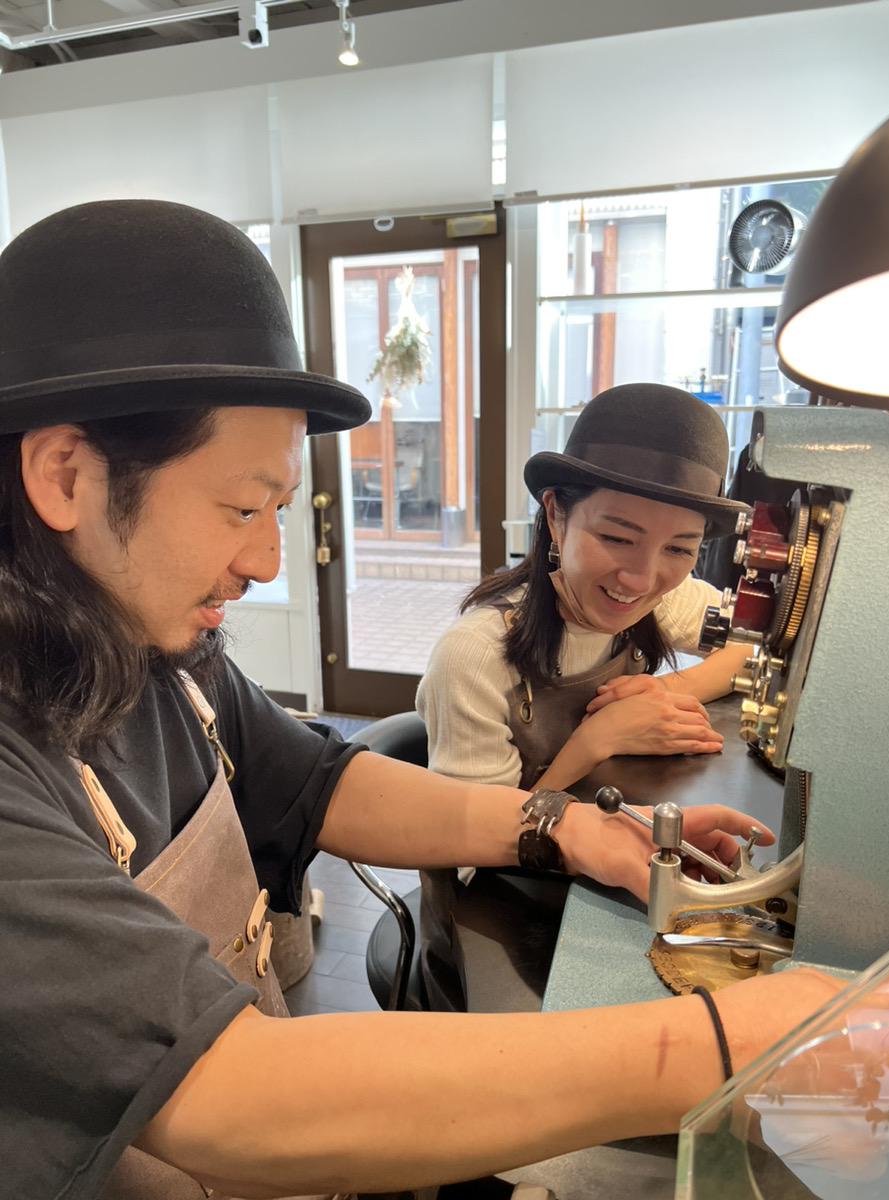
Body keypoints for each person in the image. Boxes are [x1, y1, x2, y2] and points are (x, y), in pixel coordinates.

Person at [0, 199, 839, 1200]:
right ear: (66, 476)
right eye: (241, 506)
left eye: (278, 510)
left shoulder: (157, 657)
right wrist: (721, 1044)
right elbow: (230, 1095)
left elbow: (323, 784)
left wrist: (562, 826)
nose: (266, 560)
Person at [416, 384, 757, 1011]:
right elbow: (472, 851)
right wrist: (597, 738)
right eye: (618, 537)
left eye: (679, 549)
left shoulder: (652, 600)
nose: (642, 577)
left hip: (600, 880)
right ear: (556, 515)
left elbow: (751, 643)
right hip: (495, 930)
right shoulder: (476, 657)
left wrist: (664, 689)